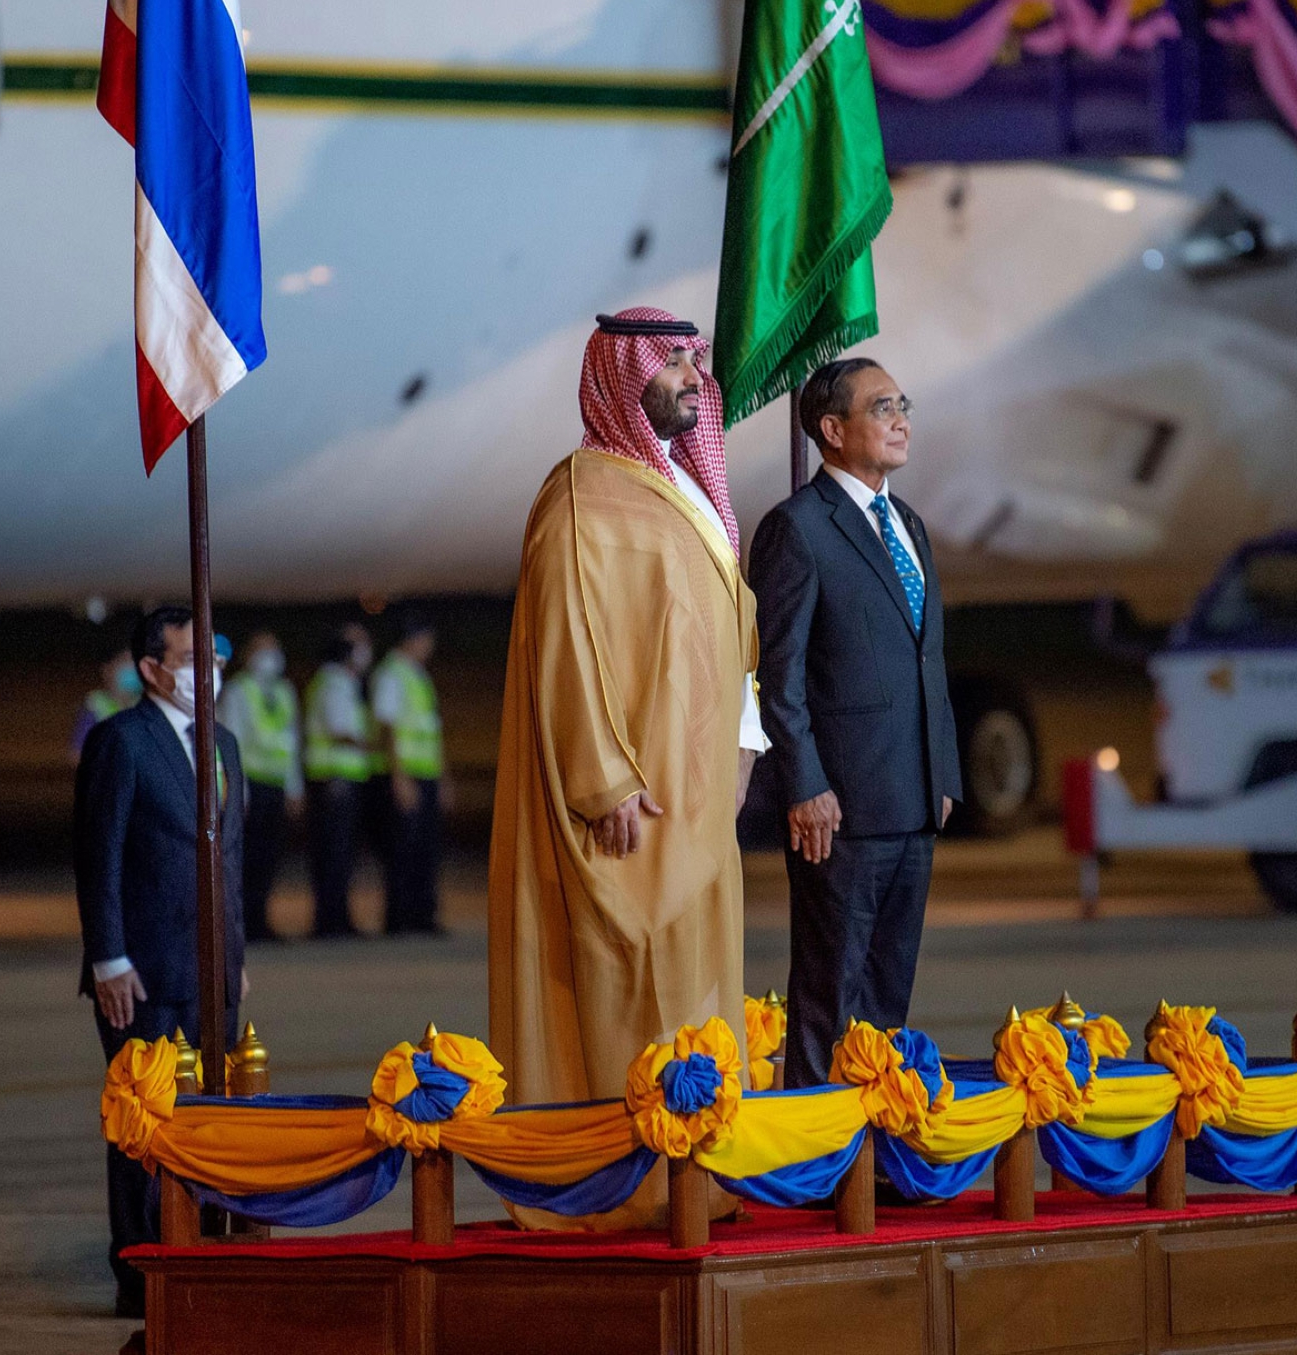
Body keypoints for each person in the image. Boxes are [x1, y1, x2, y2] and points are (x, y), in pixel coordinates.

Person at [489, 307, 768, 1230]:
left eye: (696, 360)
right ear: (622, 374)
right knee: (627, 981)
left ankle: (696, 1176)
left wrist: (747, 743)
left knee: (698, 989)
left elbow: (735, 633)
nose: (694, 375)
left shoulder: (688, 489)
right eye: (673, 361)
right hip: (633, 809)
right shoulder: (582, 496)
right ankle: (623, 1191)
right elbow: (567, 646)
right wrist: (604, 779)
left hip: (702, 801)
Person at [748, 358, 963, 1088]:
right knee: (828, 996)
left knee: (887, 1000)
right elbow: (780, 676)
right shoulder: (798, 530)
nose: (901, 417)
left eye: (903, 402)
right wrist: (804, 783)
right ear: (833, 430)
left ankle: (874, 1160)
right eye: (882, 406)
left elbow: (923, 659)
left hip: (913, 797)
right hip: (838, 810)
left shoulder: (908, 524)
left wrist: (942, 770)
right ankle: (818, 1164)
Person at [73, 604, 247, 1317]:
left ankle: (199, 1253)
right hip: (142, 969)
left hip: (213, 967)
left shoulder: (225, 744)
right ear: (151, 668)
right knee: (144, 1124)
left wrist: (237, 957)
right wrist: (108, 957)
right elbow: (98, 855)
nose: (208, 673)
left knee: (210, 1117)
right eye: (190, 660)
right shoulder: (123, 741)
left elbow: (231, 860)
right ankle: (142, 1271)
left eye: (214, 659)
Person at [216, 632, 301, 942]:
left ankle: (260, 920)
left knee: (268, 858)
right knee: (246, 859)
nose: (270, 656)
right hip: (251, 786)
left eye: (273, 648)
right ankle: (242, 924)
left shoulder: (284, 690)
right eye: (262, 649)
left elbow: (292, 742)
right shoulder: (240, 690)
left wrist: (294, 788)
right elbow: (231, 743)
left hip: (276, 785)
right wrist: (239, 792)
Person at [372, 612, 450, 935]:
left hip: (426, 774)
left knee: (426, 851)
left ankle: (422, 916)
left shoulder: (417, 675)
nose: (429, 646)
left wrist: (443, 776)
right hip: (406, 776)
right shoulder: (391, 674)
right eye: (426, 639)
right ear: (414, 638)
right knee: (403, 852)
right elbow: (387, 727)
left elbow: (431, 731)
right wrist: (399, 776)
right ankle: (400, 919)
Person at [302, 623, 373, 937]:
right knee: (334, 855)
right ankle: (331, 921)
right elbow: (339, 729)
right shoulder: (335, 682)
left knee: (338, 856)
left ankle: (337, 917)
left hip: (336, 780)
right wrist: (371, 745)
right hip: (334, 781)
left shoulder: (336, 681)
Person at [71, 646, 141, 765]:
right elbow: (76, 755)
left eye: (136, 662)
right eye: (124, 661)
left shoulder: (149, 707)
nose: (131, 668)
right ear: (107, 670)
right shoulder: (95, 706)